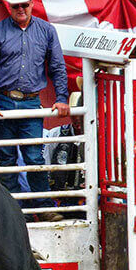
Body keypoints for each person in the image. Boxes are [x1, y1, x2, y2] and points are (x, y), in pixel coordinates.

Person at [0, 0, 69, 222]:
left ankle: (42, 206)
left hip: (30, 100)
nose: (21, 9)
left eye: (24, 5)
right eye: (16, 5)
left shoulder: (46, 31)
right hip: (4, 99)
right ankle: (15, 208)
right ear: (9, 7)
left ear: (32, 4)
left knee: (34, 157)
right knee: (6, 157)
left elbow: (57, 65)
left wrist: (62, 97)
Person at [42, 91, 85, 219]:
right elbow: (46, 162)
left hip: (88, 197)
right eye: (74, 115)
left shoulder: (98, 136)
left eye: (80, 115)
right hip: (61, 197)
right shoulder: (57, 133)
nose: (77, 119)